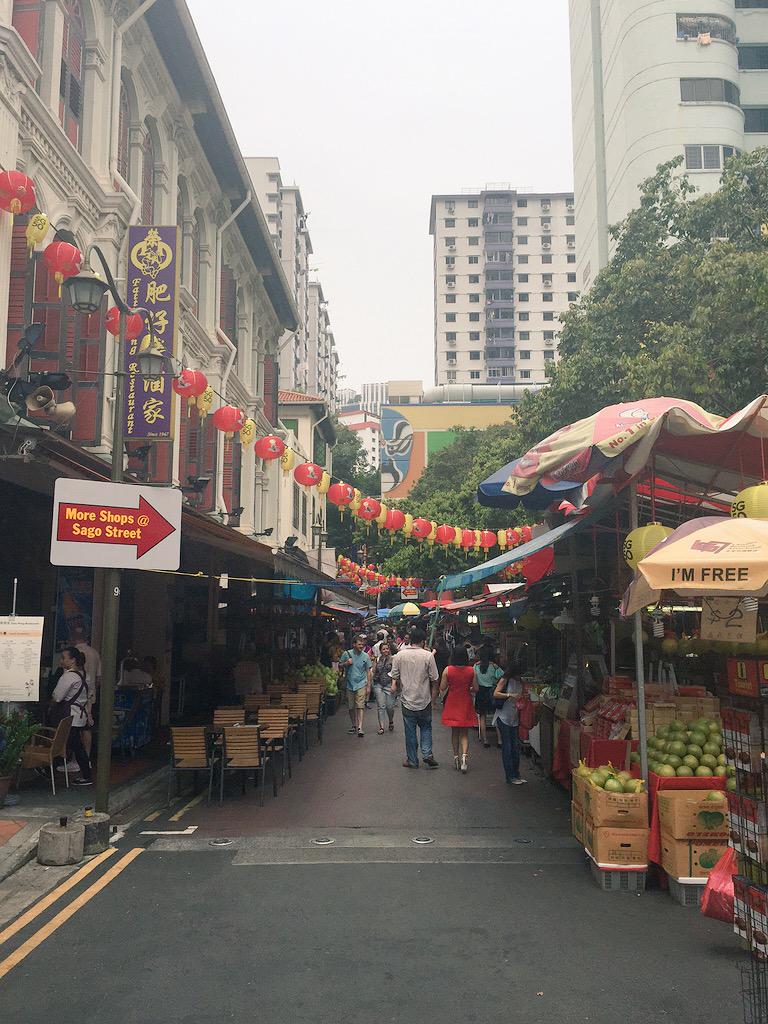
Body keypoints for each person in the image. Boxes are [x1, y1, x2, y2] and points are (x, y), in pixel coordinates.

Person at [389, 627, 439, 769]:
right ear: (423, 641)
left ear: (410, 640)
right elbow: (435, 678)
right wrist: (434, 699)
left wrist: (394, 685)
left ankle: (412, 760)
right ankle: (427, 753)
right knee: (426, 728)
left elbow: (394, 675)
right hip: (424, 699)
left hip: (407, 700)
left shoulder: (399, 655)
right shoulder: (428, 656)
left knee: (410, 731)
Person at [51, 646, 92, 786]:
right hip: (79, 715)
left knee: (68, 744)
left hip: (69, 716)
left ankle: (87, 776)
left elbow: (57, 697)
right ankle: (86, 774)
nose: (61, 660)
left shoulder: (68, 676)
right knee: (75, 745)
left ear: (73, 660)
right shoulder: (86, 675)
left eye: (64, 658)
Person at [439, 645, 479, 773]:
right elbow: (476, 688)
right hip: (465, 702)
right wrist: (468, 688)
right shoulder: (471, 670)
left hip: (452, 702)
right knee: (464, 733)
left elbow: (442, 687)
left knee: (454, 732)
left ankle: (456, 757)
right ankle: (464, 757)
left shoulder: (447, 670)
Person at [492, 662, 526, 785]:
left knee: (515, 747)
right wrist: (509, 695)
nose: (520, 676)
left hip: (514, 717)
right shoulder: (505, 679)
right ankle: (510, 776)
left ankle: (516, 774)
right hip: (503, 717)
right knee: (508, 746)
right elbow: (495, 693)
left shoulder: (520, 682)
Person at [339, 636, 372, 737]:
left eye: (362, 644)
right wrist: (346, 663)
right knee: (351, 706)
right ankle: (354, 725)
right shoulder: (347, 654)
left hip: (361, 683)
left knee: (360, 705)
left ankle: (360, 727)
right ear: (354, 644)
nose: (361, 646)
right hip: (349, 683)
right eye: (359, 644)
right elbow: (339, 665)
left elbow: (368, 671)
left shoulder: (366, 656)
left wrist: (368, 686)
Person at [473, 645, 504, 748]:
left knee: (482, 716)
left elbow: (473, 679)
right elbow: (502, 677)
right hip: (492, 692)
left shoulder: (476, 666)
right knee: (496, 715)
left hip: (480, 692)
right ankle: (500, 740)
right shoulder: (495, 667)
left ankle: (485, 740)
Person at [372, 641, 396, 734]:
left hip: (389, 684)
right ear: (380, 650)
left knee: (390, 706)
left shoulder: (393, 659)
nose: (385, 650)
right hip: (378, 684)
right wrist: (374, 661)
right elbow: (373, 671)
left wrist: (394, 684)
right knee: (381, 706)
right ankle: (381, 726)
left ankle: (390, 720)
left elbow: (395, 673)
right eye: (383, 649)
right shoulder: (377, 659)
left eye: (387, 648)